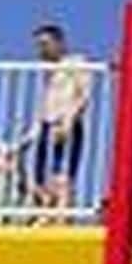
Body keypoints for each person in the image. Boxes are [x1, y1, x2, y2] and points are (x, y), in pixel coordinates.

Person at [32, 22, 93, 212]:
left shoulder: (76, 62)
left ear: (59, 43)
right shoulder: (49, 70)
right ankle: (45, 215)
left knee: (63, 177)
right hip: (47, 124)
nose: (41, 50)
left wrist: (68, 121)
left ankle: (62, 216)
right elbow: (47, 100)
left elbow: (83, 95)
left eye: (45, 44)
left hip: (65, 123)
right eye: (38, 45)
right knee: (41, 179)